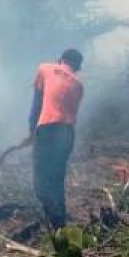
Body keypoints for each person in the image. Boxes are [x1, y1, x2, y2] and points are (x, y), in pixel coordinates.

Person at [24, 49, 85, 229]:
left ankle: (54, 221)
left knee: (40, 182)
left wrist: (31, 131)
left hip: (49, 129)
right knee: (57, 181)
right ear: (77, 67)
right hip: (67, 134)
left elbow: (37, 103)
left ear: (60, 60)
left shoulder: (44, 68)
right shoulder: (79, 85)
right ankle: (60, 227)